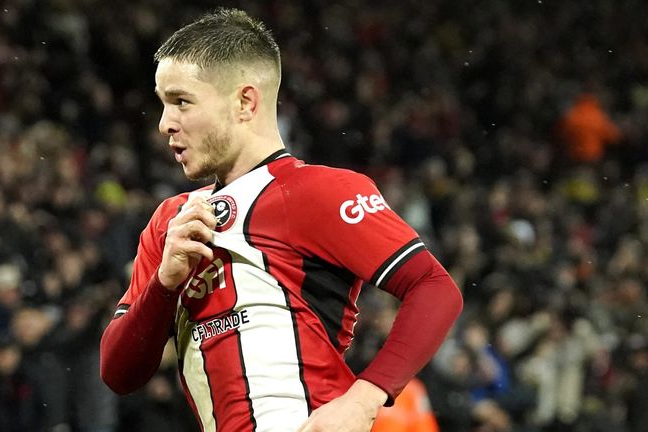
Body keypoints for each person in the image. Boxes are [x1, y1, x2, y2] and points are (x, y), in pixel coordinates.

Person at [99, 8, 463, 432]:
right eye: (162, 104)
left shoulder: (316, 191)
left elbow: (435, 288)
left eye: (181, 101)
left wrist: (365, 399)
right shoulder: (171, 223)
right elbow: (118, 374)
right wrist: (163, 284)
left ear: (245, 102)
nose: (165, 124)